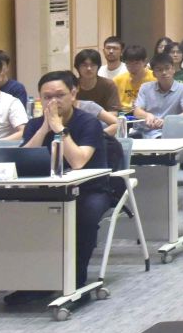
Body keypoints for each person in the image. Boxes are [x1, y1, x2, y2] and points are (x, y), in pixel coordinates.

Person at [20, 70, 126, 290]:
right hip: (48, 189)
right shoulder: (34, 125)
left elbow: (78, 161)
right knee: (22, 215)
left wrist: (59, 128)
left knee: (84, 215)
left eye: (60, 95)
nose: (53, 101)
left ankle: (75, 279)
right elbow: (23, 161)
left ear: (73, 94)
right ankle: (33, 283)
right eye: (47, 97)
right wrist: (44, 128)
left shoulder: (88, 123)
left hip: (91, 190)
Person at [131, 54, 183, 137]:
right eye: (159, 70)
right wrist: (147, 115)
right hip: (148, 133)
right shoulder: (145, 87)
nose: (164, 72)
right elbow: (137, 111)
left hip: (173, 132)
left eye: (167, 68)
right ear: (154, 74)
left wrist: (168, 121)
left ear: (173, 70)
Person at [72, 48, 122, 113]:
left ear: (98, 66)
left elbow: (114, 112)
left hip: (104, 119)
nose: (89, 68)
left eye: (93, 65)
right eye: (84, 65)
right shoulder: (71, 85)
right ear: (77, 67)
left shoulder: (108, 85)